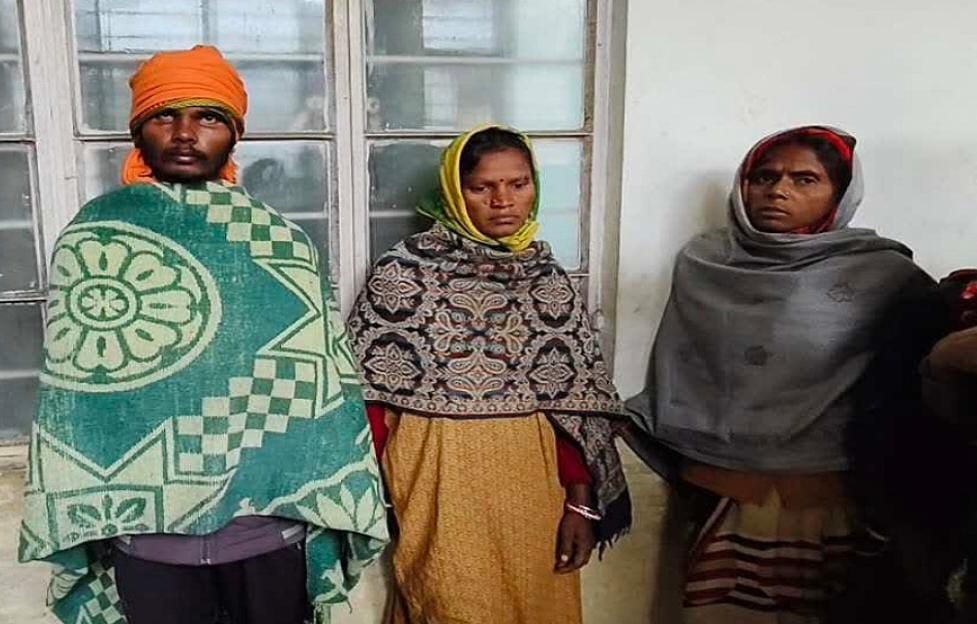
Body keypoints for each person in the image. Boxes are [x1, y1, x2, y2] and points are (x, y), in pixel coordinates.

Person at [18, 45, 387, 624]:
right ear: (138, 129)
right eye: (165, 116)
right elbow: (77, 400)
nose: (186, 134)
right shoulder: (93, 239)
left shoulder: (281, 244)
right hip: (148, 540)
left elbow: (323, 391)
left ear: (235, 133)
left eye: (209, 117)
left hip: (267, 532)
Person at [624, 125, 931, 623]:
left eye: (804, 179)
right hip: (722, 488)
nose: (778, 190)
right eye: (764, 177)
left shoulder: (886, 277)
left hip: (833, 494)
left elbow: (912, 390)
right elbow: (682, 367)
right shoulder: (705, 264)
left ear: (840, 194)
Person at [347, 124, 631, 624]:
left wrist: (581, 504)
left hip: (531, 479)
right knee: (449, 601)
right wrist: (366, 496)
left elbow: (572, 406)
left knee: (537, 604)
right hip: (436, 473)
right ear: (455, 193)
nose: (503, 201)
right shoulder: (404, 273)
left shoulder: (547, 280)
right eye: (482, 187)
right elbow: (369, 396)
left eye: (518, 184)